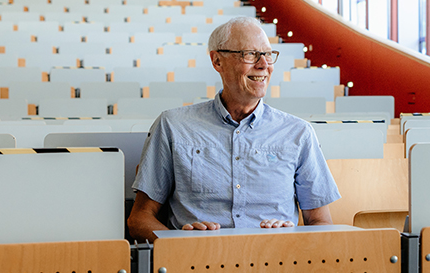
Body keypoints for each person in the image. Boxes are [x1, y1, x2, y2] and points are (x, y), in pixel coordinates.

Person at [127, 16, 341, 241]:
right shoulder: (172, 126)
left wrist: (291, 234)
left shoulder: (299, 133)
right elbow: (140, 219)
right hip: (196, 265)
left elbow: (320, 222)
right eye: (249, 54)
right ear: (217, 61)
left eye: (267, 54)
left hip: (278, 263)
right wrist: (179, 245)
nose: (263, 64)